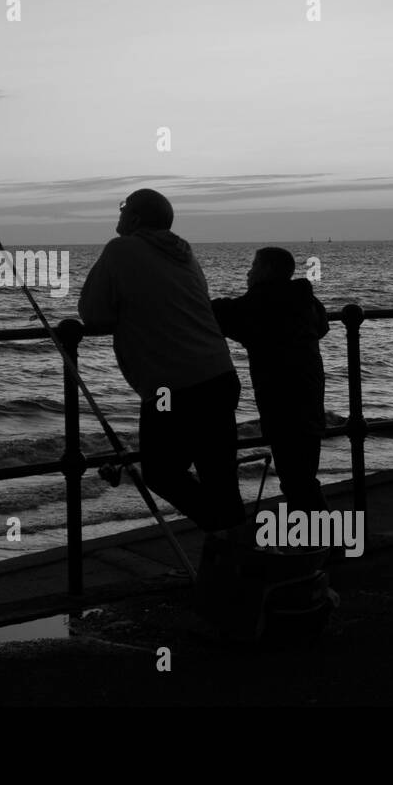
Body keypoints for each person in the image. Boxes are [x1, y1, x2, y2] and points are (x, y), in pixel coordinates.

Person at [77, 189, 246, 534]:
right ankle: (236, 560)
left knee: (160, 472)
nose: (120, 213)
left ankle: (223, 534)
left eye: (123, 207)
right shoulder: (184, 252)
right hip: (218, 375)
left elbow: (93, 315)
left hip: (172, 386)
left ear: (136, 218)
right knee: (220, 478)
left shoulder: (120, 249)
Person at [211, 247, 330, 514]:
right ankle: (322, 544)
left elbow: (222, 312)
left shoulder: (260, 304)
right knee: (303, 477)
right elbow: (322, 326)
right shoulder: (305, 300)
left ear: (265, 270)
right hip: (310, 394)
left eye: (253, 266)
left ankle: (326, 545)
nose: (248, 271)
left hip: (282, 400)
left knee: (297, 481)